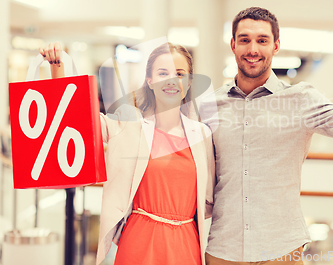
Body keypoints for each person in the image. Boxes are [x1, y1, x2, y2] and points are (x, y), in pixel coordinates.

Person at [198, 7, 333, 265]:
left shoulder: (301, 99)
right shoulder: (210, 105)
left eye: (262, 40)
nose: (253, 48)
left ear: (276, 46)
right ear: (233, 44)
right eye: (245, 40)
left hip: (281, 250)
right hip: (223, 250)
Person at [40, 42, 215, 265]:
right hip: (139, 242)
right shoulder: (128, 126)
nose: (172, 80)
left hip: (185, 245)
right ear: (150, 81)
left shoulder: (202, 134)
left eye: (180, 74)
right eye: (163, 73)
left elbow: (208, 201)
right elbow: (73, 122)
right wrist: (58, 69)